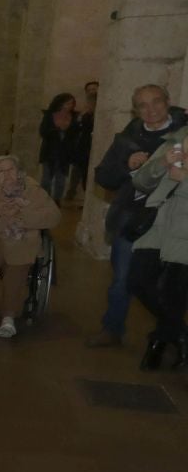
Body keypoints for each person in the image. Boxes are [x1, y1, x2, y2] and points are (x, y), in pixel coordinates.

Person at [90, 83, 187, 348]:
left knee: (170, 284)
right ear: (135, 110)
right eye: (143, 105)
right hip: (135, 218)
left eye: (156, 102)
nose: (151, 109)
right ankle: (112, 328)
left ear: (167, 102)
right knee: (125, 278)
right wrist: (127, 166)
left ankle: (166, 335)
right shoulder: (127, 139)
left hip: (177, 219)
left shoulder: (182, 134)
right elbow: (103, 177)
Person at [0, 153, 61, 338]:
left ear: (20, 172)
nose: (6, 174)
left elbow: (54, 215)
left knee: (18, 258)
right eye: (1, 171)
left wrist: (25, 218)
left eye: (11, 169)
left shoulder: (33, 190)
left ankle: (8, 318)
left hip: (22, 239)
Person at [128, 125, 188, 370]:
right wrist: (162, 163)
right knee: (138, 281)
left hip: (185, 230)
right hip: (157, 224)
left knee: (174, 293)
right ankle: (181, 335)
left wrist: (183, 181)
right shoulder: (171, 142)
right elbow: (141, 182)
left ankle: (158, 344)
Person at [37, 93, 83, 200]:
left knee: (61, 180)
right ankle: (44, 200)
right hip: (50, 151)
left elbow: (76, 134)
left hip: (65, 153)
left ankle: (56, 201)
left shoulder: (75, 117)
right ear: (60, 103)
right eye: (67, 103)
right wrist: (56, 130)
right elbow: (43, 131)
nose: (70, 106)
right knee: (46, 180)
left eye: (72, 103)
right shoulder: (50, 115)